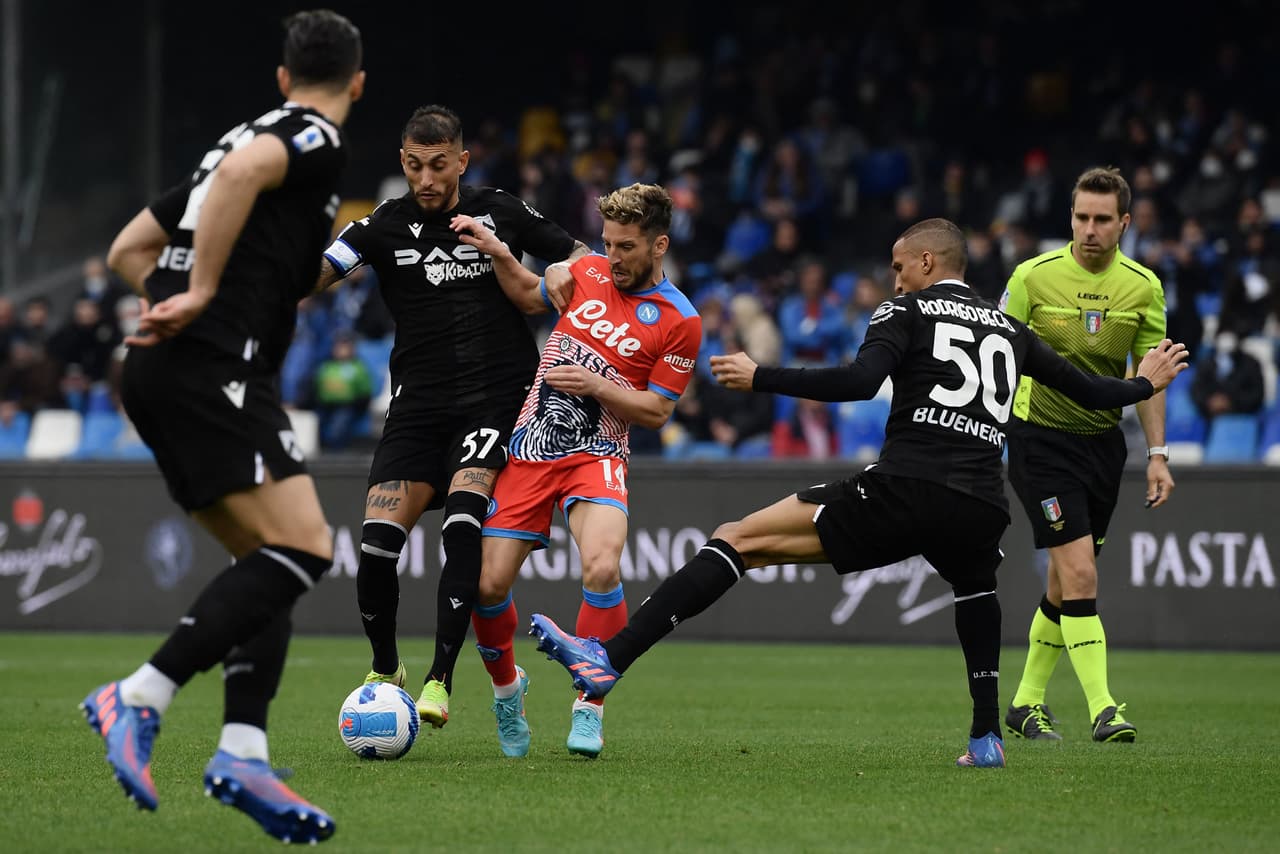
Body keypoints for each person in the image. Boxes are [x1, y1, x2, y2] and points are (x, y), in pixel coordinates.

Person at [527, 218, 1188, 768]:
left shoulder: (905, 309)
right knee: (975, 588)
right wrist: (1146, 383)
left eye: (900, 267)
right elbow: (1090, 390)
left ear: (927, 262)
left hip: (906, 487)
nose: (894, 279)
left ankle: (610, 659)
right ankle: (987, 735)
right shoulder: (1009, 329)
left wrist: (761, 376)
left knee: (737, 539)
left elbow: (858, 381)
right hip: (983, 501)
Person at [81, 10, 364, 843]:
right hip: (216, 367)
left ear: (281, 76)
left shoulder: (235, 138)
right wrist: (202, 297)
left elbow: (129, 249)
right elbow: (244, 175)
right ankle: (139, 695)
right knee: (305, 548)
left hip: (173, 368)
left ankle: (243, 752)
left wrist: (166, 302)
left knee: (267, 560)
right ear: (357, 83)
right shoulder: (313, 137)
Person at [313, 103, 588, 727]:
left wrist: (564, 267)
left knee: (462, 524)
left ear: (461, 161)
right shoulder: (383, 224)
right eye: (415, 165)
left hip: (494, 399)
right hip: (416, 406)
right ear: (403, 162)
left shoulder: (501, 212)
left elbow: (576, 253)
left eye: (439, 165)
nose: (426, 178)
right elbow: (324, 271)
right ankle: (386, 668)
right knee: (376, 547)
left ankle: (440, 679)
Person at [458, 183, 701, 759]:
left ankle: (589, 705)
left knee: (602, 564)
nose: (612, 257)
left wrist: (596, 385)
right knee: (487, 585)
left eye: (626, 247)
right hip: (530, 449)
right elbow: (527, 296)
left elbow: (657, 410)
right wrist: (501, 252)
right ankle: (507, 691)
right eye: (608, 243)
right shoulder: (585, 270)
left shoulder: (681, 319)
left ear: (659, 245)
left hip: (599, 454)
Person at [999, 166, 1172, 744]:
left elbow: (1150, 379)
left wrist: (1158, 454)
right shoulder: (1032, 277)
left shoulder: (1144, 288)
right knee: (1080, 573)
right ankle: (1105, 709)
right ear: (1070, 217)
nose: (1089, 229)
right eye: (1081, 217)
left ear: (1125, 223)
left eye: (1102, 219)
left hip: (1102, 446)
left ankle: (1025, 703)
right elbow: (994, 356)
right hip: (1039, 440)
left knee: (1062, 581)